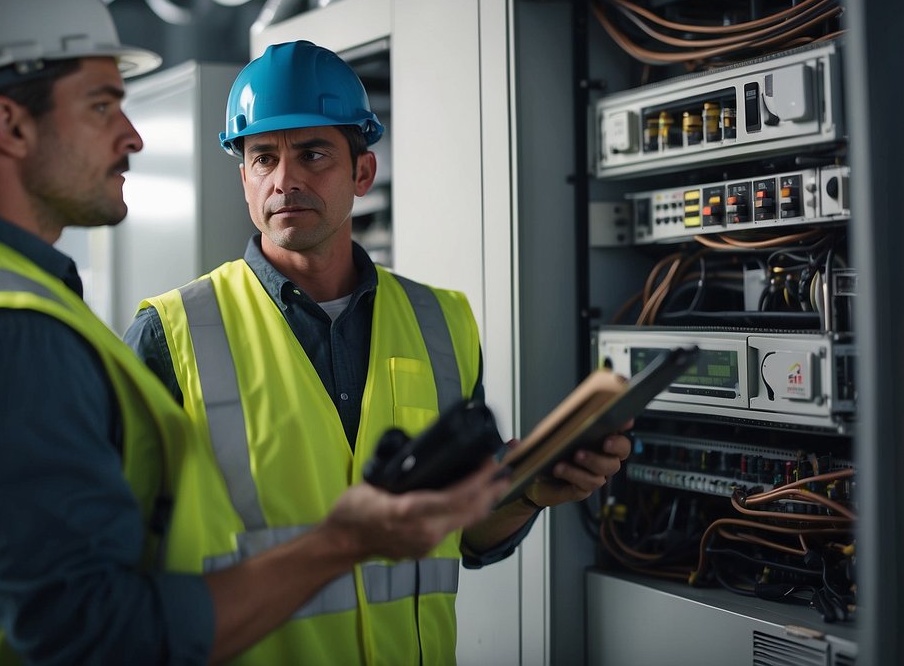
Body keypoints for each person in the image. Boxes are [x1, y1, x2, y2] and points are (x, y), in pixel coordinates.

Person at [0, 0, 511, 665]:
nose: (133, 135)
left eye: (312, 154)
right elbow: (103, 638)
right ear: (10, 126)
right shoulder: (4, 338)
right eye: (101, 105)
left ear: (360, 170)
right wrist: (345, 541)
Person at [125, 40, 634, 664]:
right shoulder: (170, 334)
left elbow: (464, 535)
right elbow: (121, 577)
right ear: (245, 180)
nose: (285, 180)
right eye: (263, 158)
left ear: (362, 172)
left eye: (313, 153)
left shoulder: (442, 321)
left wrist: (528, 492)